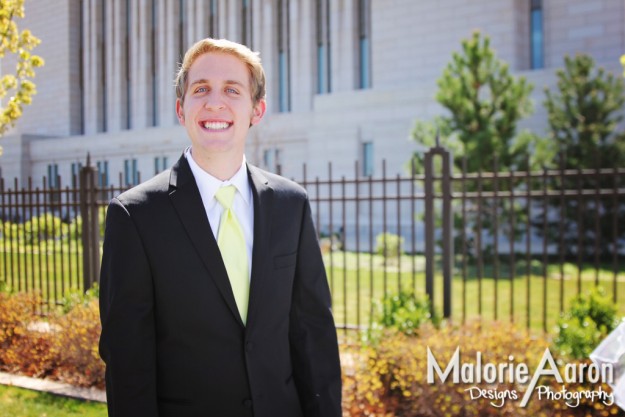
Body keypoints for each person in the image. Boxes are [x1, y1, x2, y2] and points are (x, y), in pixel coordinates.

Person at [98, 38, 342, 417]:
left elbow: (314, 335)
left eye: (232, 89)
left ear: (256, 110)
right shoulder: (135, 217)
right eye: (201, 89)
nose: (215, 102)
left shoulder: (290, 204)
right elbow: (128, 364)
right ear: (181, 109)